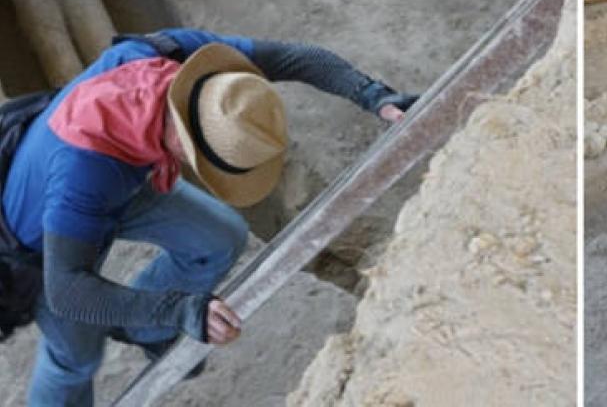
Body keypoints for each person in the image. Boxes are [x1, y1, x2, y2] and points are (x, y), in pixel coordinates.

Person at [2, 29, 416, 406]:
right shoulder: (85, 169)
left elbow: (293, 57)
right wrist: (178, 309)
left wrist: (374, 96)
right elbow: (68, 290)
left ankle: (143, 331)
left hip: (121, 178)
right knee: (76, 356)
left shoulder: (188, 64)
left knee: (219, 237)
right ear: (184, 147)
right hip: (36, 245)